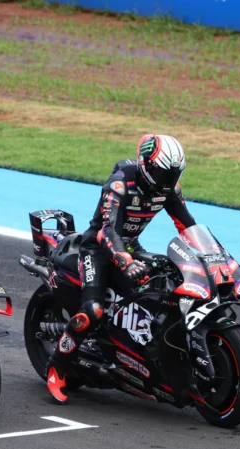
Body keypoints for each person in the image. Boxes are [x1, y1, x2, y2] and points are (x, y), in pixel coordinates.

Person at [46, 134, 196, 404]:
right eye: (163, 173)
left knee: (165, 290)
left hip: (131, 246)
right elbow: (106, 231)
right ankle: (57, 366)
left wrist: (215, 257)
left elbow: (188, 226)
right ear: (146, 165)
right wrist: (126, 262)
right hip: (98, 249)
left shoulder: (168, 190)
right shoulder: (120, 183)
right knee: (93, 311)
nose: (168, 181)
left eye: (173, 175)